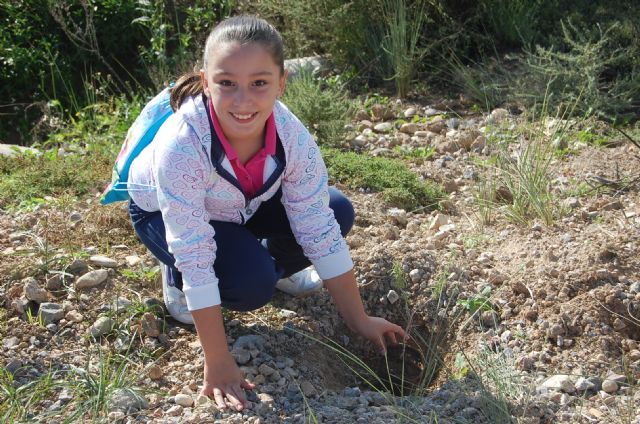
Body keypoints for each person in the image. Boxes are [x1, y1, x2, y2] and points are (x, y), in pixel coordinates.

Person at [127, 15, 405, 412]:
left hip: (242, 204)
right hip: (163, 212)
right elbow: (194, 247)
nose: (243, 101)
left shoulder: (291, 135)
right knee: (251, 284)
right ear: (206, 82)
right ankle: (174, 278)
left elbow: (319, 226)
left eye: (259, 83)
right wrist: (219, 362)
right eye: (226, 83)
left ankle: (274, 267)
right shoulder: (182, 144)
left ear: (282, 82)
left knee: (336, 208)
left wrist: (359, 320)